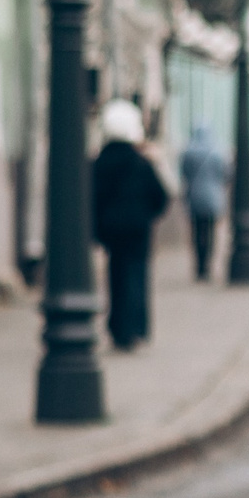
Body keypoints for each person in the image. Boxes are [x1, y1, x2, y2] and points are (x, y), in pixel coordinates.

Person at [91, 100, 168, 351]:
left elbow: (93, 198)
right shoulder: (140, 162)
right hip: (138, 230)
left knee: (116, 276)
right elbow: (160, 196)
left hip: (111, 231)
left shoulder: (100, 163)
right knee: (137, 275)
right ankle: (135, 327)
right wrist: (146, 215)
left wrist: (98, 228)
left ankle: (118, 328)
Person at [179, 123, 230, 282]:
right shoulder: (217, 152)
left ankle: (199, 265)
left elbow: (184, 173)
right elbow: (226, 174)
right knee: (210, 232)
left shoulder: (189, 152)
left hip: (194, 197)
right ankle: (208, 264)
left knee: (196, 232)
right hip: (213, 198)